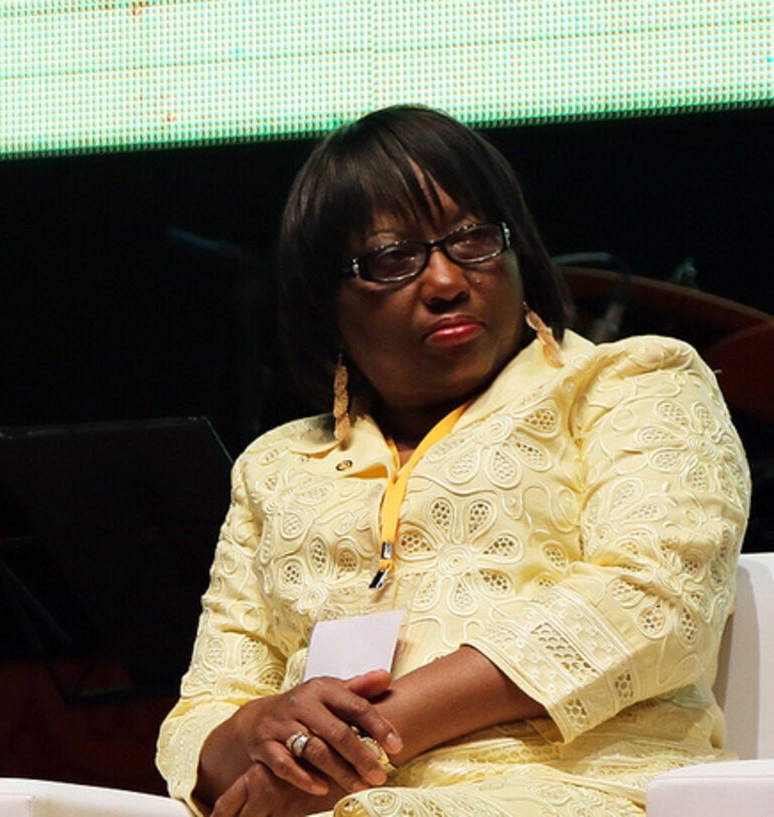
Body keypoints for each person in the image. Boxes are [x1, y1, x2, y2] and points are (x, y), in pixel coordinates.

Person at [156, 106, 751, 817]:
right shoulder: (276, 465)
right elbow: (209, 703)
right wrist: (254, 734)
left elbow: (653, 600)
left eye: (472, 239)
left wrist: (354, 741)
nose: (444, 279)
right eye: (391, 259)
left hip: (576, 791)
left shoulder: (629, 382)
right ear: (326, 305)